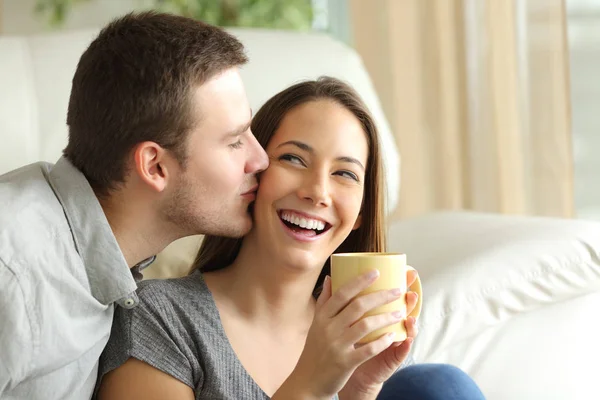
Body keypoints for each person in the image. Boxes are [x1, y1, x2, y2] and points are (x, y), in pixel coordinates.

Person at [95, 77, 485, 400]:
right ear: (253, 176)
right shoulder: (161, 318)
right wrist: (311, 385)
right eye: (294, 159)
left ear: (360, 214)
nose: (318, 192)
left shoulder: (360, 343)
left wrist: (360, 391)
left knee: (440, 387)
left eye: (345, 174)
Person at [0, 11, 268, 400]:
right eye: (235, 141)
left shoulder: (110, 271)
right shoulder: (15, 276)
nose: (260, 159)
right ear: (155, 166)